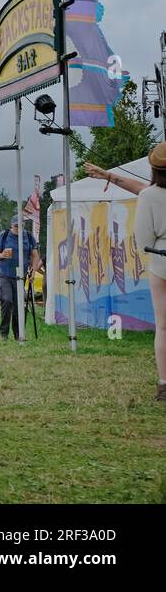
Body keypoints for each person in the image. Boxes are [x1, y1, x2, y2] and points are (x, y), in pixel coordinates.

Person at [132, 142, 166, 403]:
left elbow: (143, 237)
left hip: (161, 263)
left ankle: (164, 384)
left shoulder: (149, 195)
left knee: (163, 327)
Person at [0, 218, 37, 342]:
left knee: (19, 305)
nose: (18, 228)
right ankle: (3, 333)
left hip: (20, 276)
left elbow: (35, 255)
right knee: (7, 300)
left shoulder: (28, 236)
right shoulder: (4, 235)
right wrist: (2, 255)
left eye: (21, 226)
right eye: (16, 226)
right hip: (5, 273)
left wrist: (33, 271)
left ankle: (18, 334)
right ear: (11, 225)